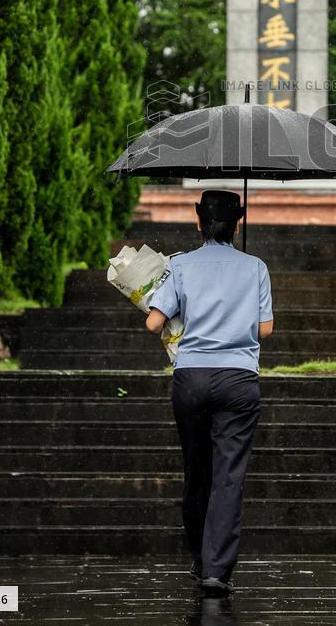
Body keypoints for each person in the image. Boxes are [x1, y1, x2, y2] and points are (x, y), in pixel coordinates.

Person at [145, 189, 274, 595]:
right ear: (238, 222)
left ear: (199, 221)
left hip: (191, 378)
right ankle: (217, 570)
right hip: (238, 380)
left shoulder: (180, 266)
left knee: (197, 470)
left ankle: (199, 560)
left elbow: (153, 323)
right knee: (228, 475)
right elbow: (265, 328)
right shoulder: (256, 267)